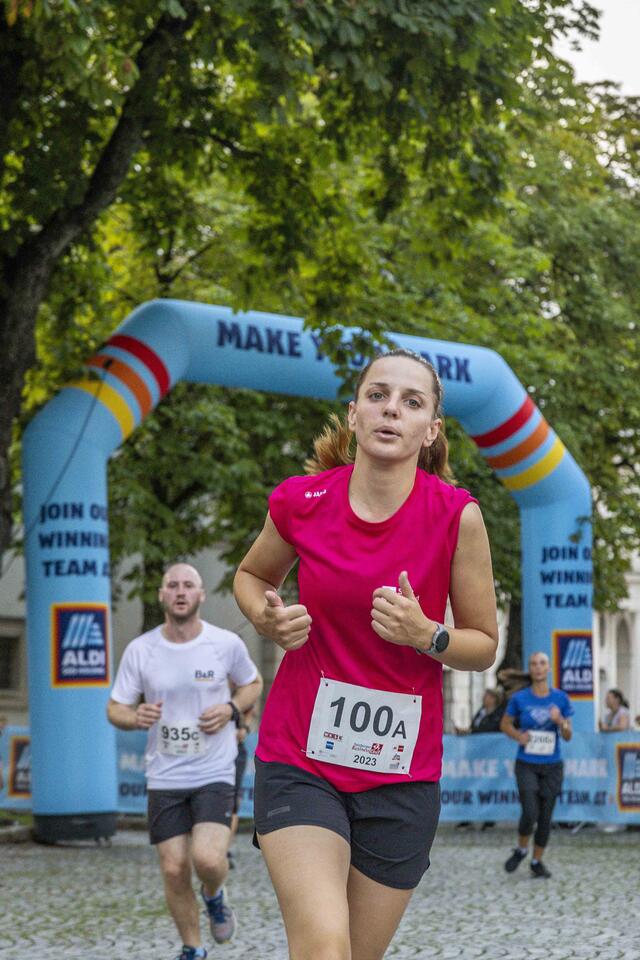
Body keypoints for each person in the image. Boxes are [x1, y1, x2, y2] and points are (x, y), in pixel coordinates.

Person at [233, 348, 499, 960]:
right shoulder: (301, 501)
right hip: (302, 757)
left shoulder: (457, 517)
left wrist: (425, 634)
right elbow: (251, 576)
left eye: (411, 402)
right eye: (378, 396)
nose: (391, 410)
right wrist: (265, 616)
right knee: (324, 945)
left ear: (431, 429)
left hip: (401, 775)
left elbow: (482, 646)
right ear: (353, 414)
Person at [107, 562, 263, 960]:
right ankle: (193, 948)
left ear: (200, 595)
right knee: (174, 868)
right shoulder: (142, 650)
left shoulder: (224, 643)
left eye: (188, 585)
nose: (180, 591)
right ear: (162, 595)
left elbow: (253, 683)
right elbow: (115, 707)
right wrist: (134, 716)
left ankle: (214, 894)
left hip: (214, 768)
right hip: (164, 774)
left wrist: (230, 709)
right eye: (172, 585)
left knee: (208, 859)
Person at [500, 651, 573, 879]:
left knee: (545, 817)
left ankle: (536, 861)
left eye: (542, 663)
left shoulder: (560, 699)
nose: (538, 667)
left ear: (549, 669)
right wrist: (517, 736)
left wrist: (560, 721)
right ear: (530, 669)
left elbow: (568, 735)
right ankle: (522, 849)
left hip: (552, 765)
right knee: (530, 812)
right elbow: (505, 724)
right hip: (527, 763)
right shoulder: (520, 699)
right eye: (534, 664)